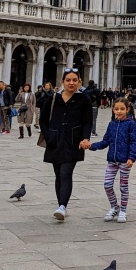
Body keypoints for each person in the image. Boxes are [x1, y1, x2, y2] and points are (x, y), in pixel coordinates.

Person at [40, 69, 92, 220]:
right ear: (62, 81)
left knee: (65, 173)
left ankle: (62, 206)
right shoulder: (53, 98)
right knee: (58, 175)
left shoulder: (84, 99)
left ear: (79, 82)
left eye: (74, 80)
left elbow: (88, 121)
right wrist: (49, 135)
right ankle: (61, 205)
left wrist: (85, 138)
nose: (71, 83)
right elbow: (43, 119)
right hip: (55, 141)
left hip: (73, 141)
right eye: (68, 80)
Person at [82, 97, 136, 223]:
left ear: (127, 110)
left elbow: (134, 142)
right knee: (107, 185)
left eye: (122, 109)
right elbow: (105, 142)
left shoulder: (131, 124)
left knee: (123, 187)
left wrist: (132, 157)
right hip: (112, 160)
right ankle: (114, 206)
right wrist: (91, 146)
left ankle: (123, 210)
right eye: (117, 109)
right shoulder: (112, 124)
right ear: (113, 110)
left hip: (125, 161)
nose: (119, 111)